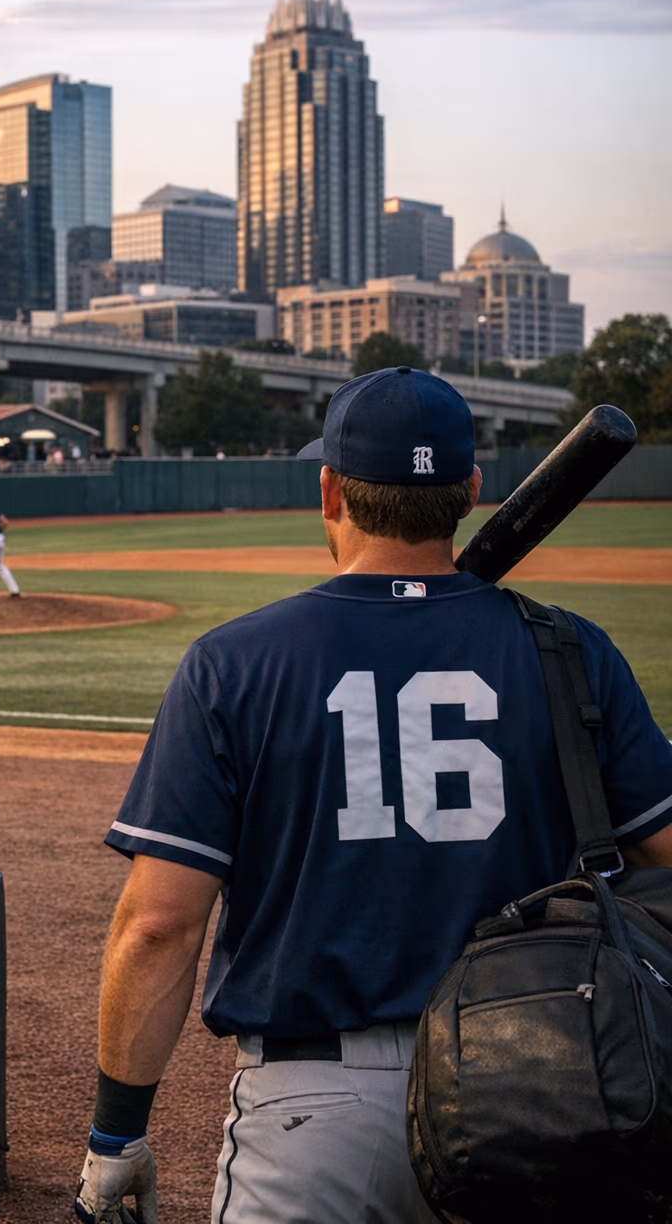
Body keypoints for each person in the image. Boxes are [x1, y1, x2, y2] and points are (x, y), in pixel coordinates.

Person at [74, 367, 672, 1224]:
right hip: (545, 1084)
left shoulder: (234, 664)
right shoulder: (570, 652)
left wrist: (116, 1135)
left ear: (330, 491)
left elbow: (162, 923)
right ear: (469, 488)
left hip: (317, 1111)